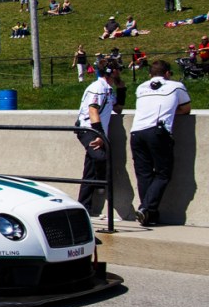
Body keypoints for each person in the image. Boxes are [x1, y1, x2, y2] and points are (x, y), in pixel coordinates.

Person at [129, 60, 192, 226]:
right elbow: (186, 109)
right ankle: (145, 208)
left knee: (144, 175)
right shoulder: (176, 86)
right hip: (158, 132)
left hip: (136, 132)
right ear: (167, 73)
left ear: (150, 75)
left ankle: (150, 215)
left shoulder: (141, 88)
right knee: (163, 173)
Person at [74, 59, 123, 214]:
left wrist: (122, 89)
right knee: (101, 157)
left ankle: (84, 205)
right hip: (88, 129)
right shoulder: (97, 88)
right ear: (111, 71)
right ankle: (101, 184)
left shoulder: (108, 89)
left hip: (96, 130)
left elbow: (118, 109)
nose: (120, 72)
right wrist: (100, 134)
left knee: (89, 169)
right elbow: (93, 111)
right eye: (118, 69)